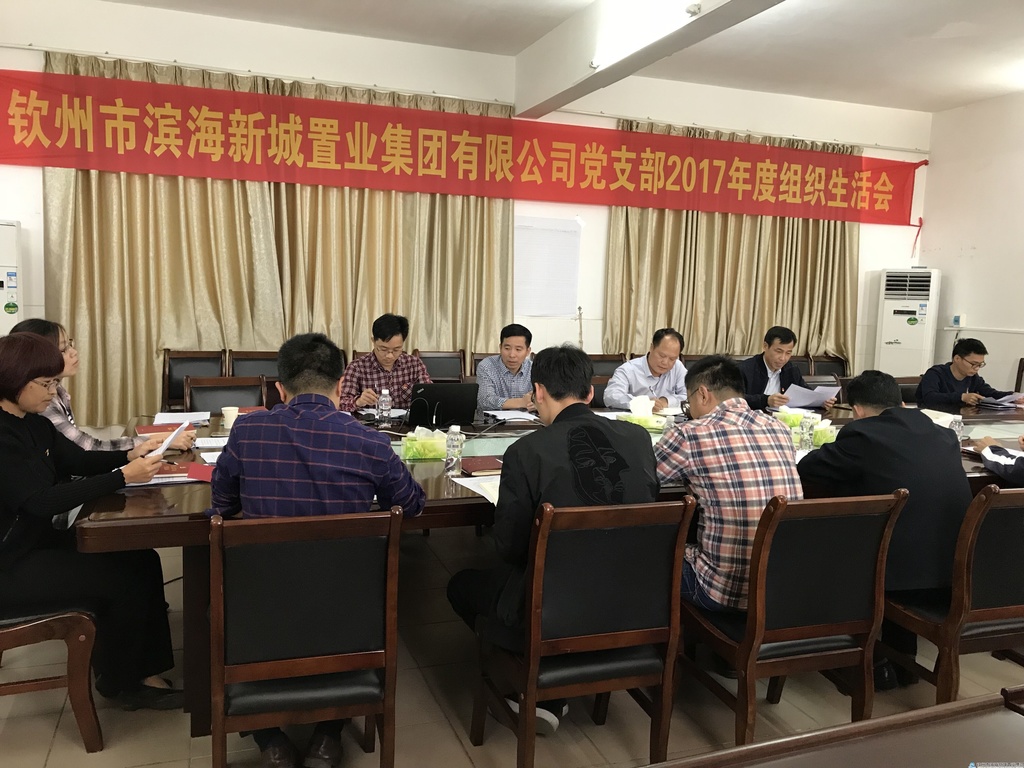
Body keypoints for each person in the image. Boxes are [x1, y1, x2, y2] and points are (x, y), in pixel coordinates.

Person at [209, 332, 425, 768]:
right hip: (347, 612)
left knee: (216, 603)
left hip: (260, 610)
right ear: (342, 383)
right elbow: (412, 504)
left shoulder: (247, 431)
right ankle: (328, 735)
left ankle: (271, 741)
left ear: (279, 388)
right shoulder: (371, 442)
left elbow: (222, 505)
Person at [447, 345, 658, 735]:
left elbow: (510, 548)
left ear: (538, 391)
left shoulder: (526, 451)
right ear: (590, 392)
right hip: (634, 601)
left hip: (551, 610)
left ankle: (535, 685)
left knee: (462, 586)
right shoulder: (638, 438)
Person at [0, 332, 182, 710]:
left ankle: (143, 669)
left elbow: (78, 460)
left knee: (142, 558)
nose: (53, 392)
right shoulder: (3, 434)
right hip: (10, 564)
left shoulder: (33, 422)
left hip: (35, 545)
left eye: (55, 382)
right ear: (14, 380)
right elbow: (39, 501)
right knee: (122, 578)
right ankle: (124, 682)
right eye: (45, 384)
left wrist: (132, 454)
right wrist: (123, 477)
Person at [797, 370, 972, 690]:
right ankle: (901, 661)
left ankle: (863, 661)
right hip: (954, 572)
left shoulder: (862, 435)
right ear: (901, 402)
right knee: (897, 536)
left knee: (827, 545)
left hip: (895, 577)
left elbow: (807, 468)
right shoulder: (943, 434)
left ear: (857, 410)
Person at [654, 356, 802, 612]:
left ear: (702, 394)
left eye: (688, 402)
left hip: (720, 592)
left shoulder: (689, 433)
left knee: (646, 551)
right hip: (779, 591)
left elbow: (643, 480)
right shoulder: (779, 428)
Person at [9, 318, 195, 452]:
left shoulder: (57, 390)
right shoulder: (41, 404)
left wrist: (156, 440)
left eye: (70, 344)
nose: (74, 352)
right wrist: (160, 441)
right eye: (64, 349)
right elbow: (87, 449)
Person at [338, 313, 431, 412]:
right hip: (371, 421)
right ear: (373, 341)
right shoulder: (357, 367)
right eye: (383, 349)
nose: (389, 356)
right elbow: (341, 403)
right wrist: (358, 401)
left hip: (407, 421)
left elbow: (431, 395)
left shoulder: (414, 364)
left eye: (396, 349)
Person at [737, 326, 836, 411]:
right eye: (778, 351)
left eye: (788, 353)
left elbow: (806, 393)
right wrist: (766, 400)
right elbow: (734, 399)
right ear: (765, 346)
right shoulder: (745, 369)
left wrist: (821, 402)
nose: (783, 358)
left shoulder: (791, 369)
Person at [916, 338, 1023, 407]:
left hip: (962, 419)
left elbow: (990, 393)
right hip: (933, 420)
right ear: (957, 359)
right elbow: (930, 397)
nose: (976, 368)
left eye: (980, 364)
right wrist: (961, 397)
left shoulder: (973, 377)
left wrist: (1014, 396)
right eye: (973, 364)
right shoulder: (935, 374)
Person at [604, 328, 687, 412]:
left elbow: (690, 395)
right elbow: (611, 397)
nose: (665, 362)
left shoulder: (677, 367)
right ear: (651, 348)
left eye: (672, 359)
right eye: (662, 356)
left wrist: (667, 401)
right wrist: (642, 403)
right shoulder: (628, 369)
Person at [476, 323, 534, 412]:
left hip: (527, 419)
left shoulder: (533, 368)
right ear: (500, 347)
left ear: (528, 351)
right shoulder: (486, 366)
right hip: (493, 420)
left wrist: (536, 404)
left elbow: (544, 399)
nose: (512, 355)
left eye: (518, 349)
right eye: (507, 348)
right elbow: (485, 401)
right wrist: (521, 402)